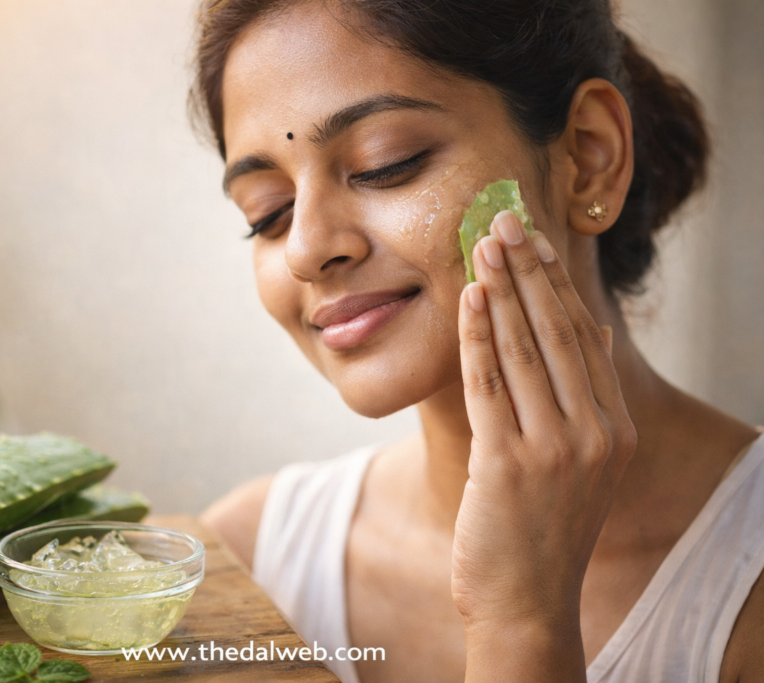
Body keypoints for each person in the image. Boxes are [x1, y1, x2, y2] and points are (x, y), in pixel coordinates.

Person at [189, 1, 764, 681]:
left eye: (385, 163)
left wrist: (522, 621)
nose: (307, 249)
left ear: (588, 154)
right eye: (269, 214)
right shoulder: (248, 559)